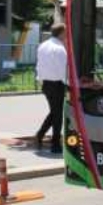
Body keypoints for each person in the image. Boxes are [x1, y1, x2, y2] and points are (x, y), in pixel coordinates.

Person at [35, 24, 68, 153]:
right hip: (57, 84)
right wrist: (69, 83)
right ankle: (55, 144)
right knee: (58, 114)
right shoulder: (60, 48)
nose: (66, 35)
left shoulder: (43, 45)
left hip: (46, 84)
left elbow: (39, 65)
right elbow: (62, 70)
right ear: (61, 33)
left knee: (55, 112)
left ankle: (40, 135)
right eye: (65, 33)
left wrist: (40, 79)